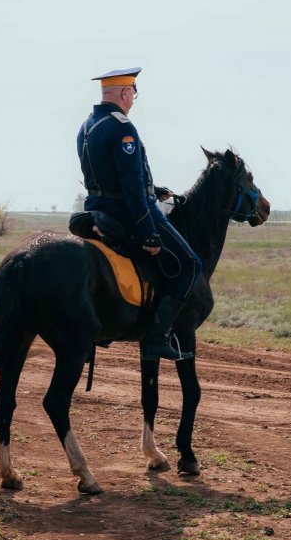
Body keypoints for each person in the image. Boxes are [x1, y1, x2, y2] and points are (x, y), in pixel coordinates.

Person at [77, 67, 201, 361]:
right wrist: (149, 233)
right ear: (124, 92)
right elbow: (131, 190)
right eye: (133, 92)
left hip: (96, 209)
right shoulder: (123, 128)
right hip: (127, 212)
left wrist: (153, 188)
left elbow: (108, 175)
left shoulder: (88, 124)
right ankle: (157, 337)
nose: (133, 99)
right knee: (190, 265)